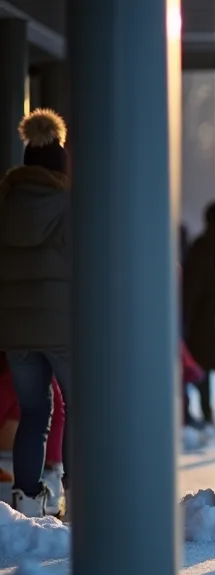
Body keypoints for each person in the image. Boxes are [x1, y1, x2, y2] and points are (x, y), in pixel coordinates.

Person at [0, 109, 73, 518]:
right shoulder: (68, 205)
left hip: (15, 330)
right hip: (62, 326)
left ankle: (26, 499)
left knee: (33, 412)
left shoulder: (5, 204)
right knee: (80, 409)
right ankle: (80, 496)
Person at [0, 353, 65, 514]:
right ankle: (73, 493)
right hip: (58, 337)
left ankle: (28, 503)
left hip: (18, 340)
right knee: (75, 406)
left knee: (34, 412)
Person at [181, 201, 215, 427]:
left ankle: (206, 413)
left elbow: (191, 289)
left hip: (203, 322)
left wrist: (186, 318)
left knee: (203, 369)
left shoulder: (200, 247)